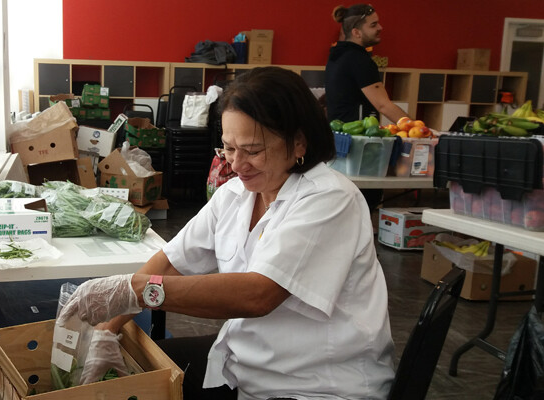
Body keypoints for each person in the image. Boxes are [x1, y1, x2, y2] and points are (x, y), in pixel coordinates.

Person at [58, 67, 395, 400]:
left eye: (252, 150)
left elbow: (256, 295)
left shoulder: (330, 199)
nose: (236, 164)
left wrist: (136, 289)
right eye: (228, 148)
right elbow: (172, 262)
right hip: (245, 364)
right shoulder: (236, 194)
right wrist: (108, 329)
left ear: (298, 143)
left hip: (316, 384)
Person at [325, 3, 409, 123]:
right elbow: (383, 105)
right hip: (356, 137)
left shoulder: (337, 55)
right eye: (373, 25)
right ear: (356, 33)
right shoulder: (358, 60)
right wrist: (417, 129)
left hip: (338, 134)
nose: (380, 27)